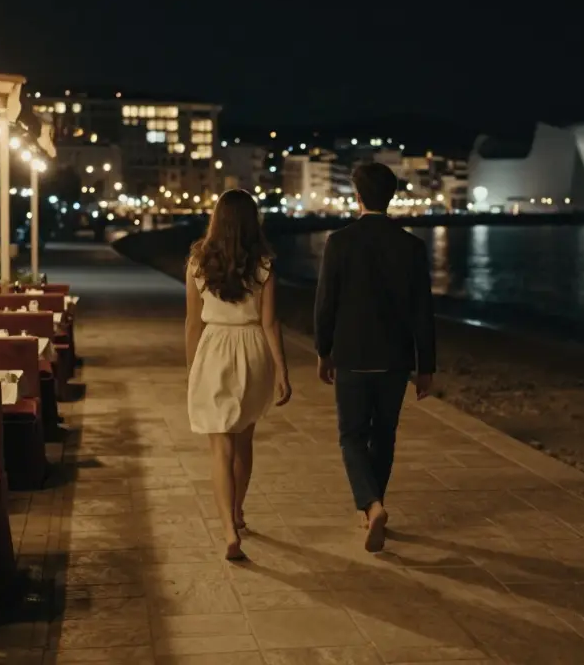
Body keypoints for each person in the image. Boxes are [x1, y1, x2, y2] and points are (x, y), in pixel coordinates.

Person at [314, 162, 436, 553]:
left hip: (351, 354)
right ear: (392, 196)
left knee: (351, 435)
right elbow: (423, 313)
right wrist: (426, 367)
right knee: (383, 434)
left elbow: (325, 304)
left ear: (358, 196)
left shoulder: (339, 241)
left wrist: (323, 350)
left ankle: (371, 505)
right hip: (395, 359)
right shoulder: (412, 246)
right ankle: (374, 507)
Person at [186, 189, 292, 560]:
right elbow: (271, 322)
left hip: (214, 347)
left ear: (216, 219)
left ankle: (229, 529)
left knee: (220, 447)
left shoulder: (198, 262)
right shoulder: (263, 264)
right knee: (244, 440)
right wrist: (282, 370)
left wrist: (191, 368)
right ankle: (237, 512)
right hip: (252, 351)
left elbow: (191, 322)